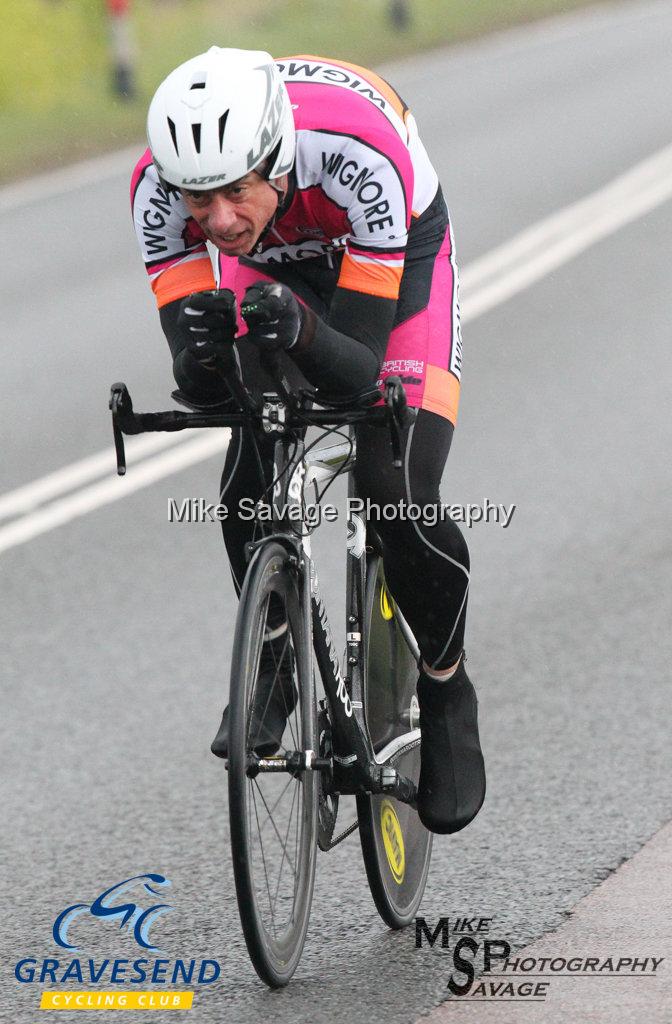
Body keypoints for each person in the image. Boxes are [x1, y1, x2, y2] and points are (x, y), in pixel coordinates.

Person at [130, 47, 485, 834]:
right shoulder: (155, 192)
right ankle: (276, 657)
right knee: (246, 468)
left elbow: (357, 376)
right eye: (199, 200)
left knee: (398, 494)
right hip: (278, 276)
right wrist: (208, 356)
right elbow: (200, 378)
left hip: (394, 257)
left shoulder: (355, 155)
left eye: (233, 192)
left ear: (277, 161)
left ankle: (445, 684)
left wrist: (301, 332)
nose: (218, 220)